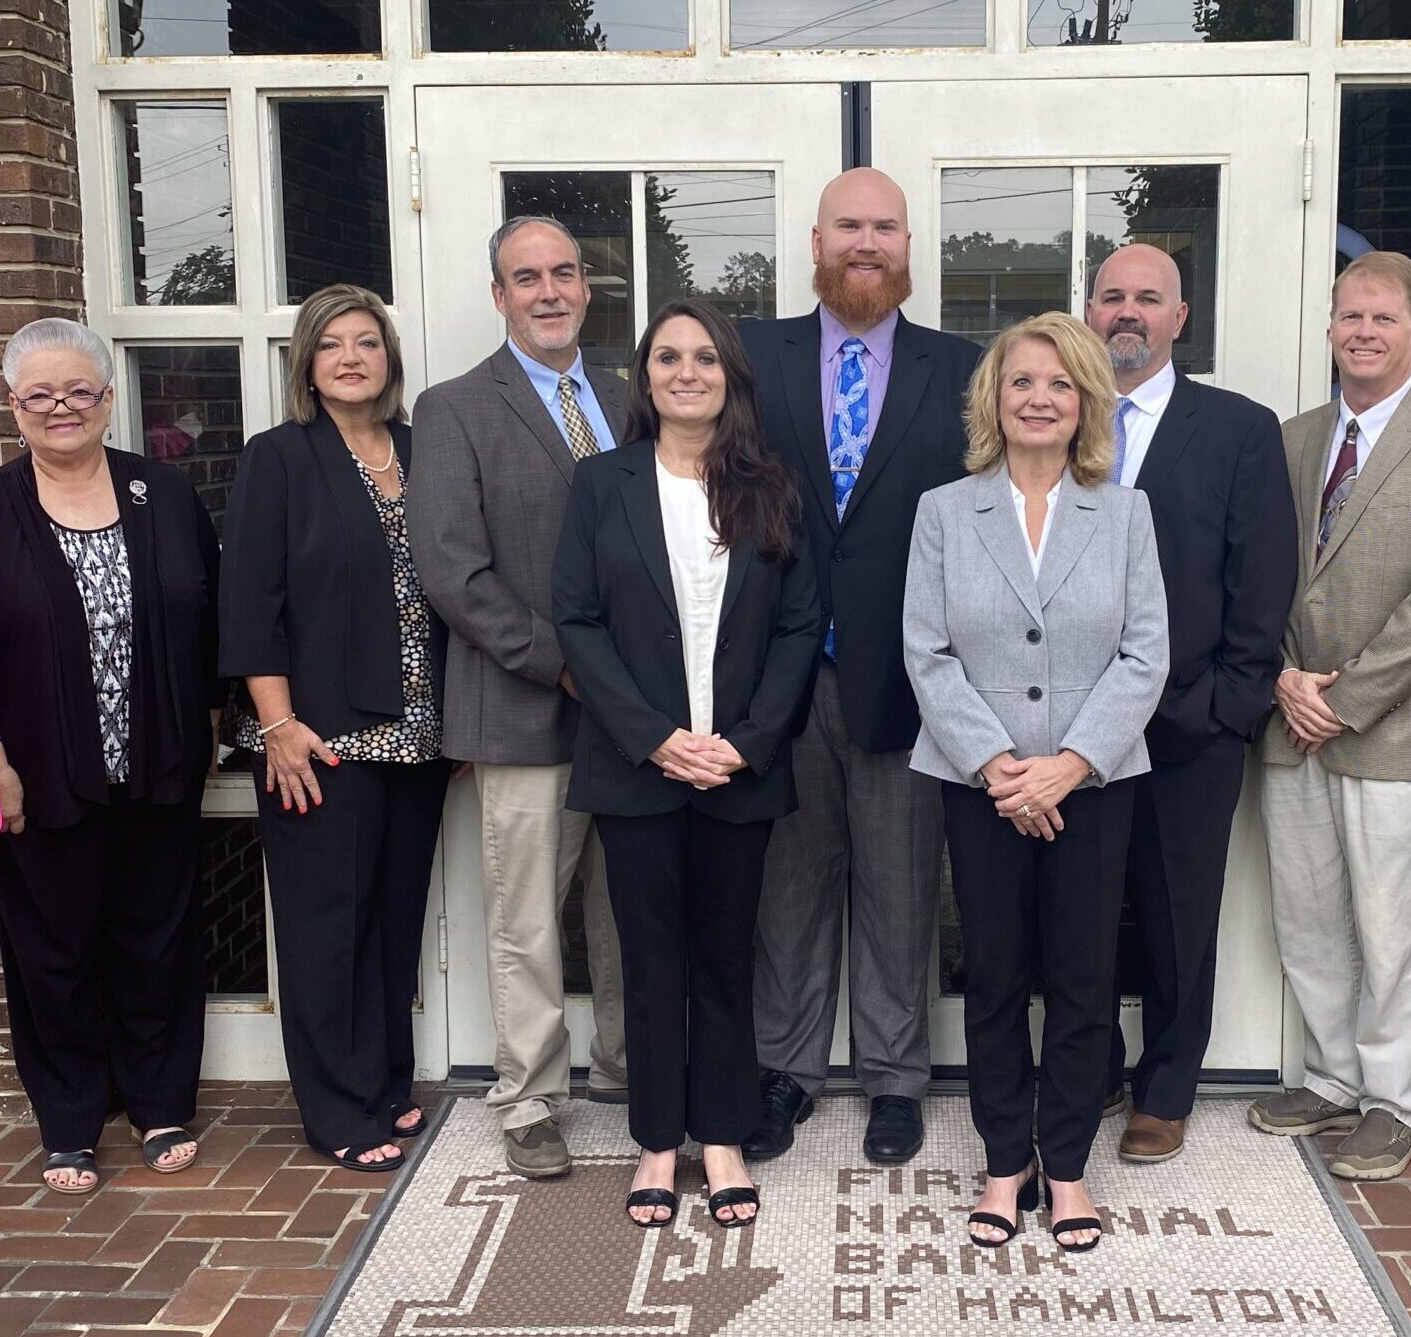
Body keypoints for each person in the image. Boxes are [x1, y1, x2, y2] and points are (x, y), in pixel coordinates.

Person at [552, 300, 822, 1230]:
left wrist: (746, 742)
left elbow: (798, 626)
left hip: (738, 768)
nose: (687, 372)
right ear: (645, 376)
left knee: (725, 957)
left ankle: (723, 1136)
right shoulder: (602, 483)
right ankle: (658, 1143)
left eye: (705, 357)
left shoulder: (772, 484)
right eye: (668, 357)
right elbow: (577, 619)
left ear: (729, 375)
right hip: (639, 768)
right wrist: (656, 737)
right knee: (651, 959)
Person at [904, 312, 1167, 1253]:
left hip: (1091, 784)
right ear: (995, 398)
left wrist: (1071, 763)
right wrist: (997, 764)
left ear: (1087, 401)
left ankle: (1066, 1167)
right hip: (982, 784)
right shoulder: (944, 511)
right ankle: (1003, 1161)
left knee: (1084, 978)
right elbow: (926, 650)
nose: (1041, 399)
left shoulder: (1125, 512)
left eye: (1061, 384)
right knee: (995, 976)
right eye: (1022, 381)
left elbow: (1146, 653)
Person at [0, 318, 220, 1195]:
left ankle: (159, 1101)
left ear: (106, 397)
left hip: (158, 760)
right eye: (40, 394)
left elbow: (208, 615)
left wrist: (211, 719)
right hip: (38, 770)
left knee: (156, 939)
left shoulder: (162, 491)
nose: (61, 407)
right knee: (52, 950)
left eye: (78, 391)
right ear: (11, 403)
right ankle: (69, 1120)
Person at [739, 168, 985, 1165]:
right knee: (787, 892)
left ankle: (894, 1079)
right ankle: (784, 1072)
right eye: (848, 225)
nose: (866, 242)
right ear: (815, 241)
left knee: (899, 888)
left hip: (911, 678)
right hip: (778, 678)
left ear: (909, 245)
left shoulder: (962, 367)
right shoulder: (750, 357)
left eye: (885, 226)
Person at [1250, 252, 1411, 1181]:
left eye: (1382, 318)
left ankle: (1397, 1102)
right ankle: (1331, 1077)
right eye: (1349, 316)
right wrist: (1284, 679)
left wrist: (1344, 698)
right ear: (1330, 327)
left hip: (1395, 727)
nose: (1363, 332)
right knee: (1309, 916)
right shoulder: (1293, 439)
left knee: (1394, 928)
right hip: (1290, 720)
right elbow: (1262, 573)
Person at [406, 218, 631, 1179]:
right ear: (499, 296)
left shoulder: (628, 394)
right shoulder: (454, 407)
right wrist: (565, 662)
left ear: (586, 287)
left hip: (638, 716)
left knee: (631, 906)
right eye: (526, 277)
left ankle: (629, 1065)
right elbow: (452, 568)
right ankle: (530, 1096)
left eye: (564, 273)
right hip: (526, 701)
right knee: (529, 917)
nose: (549, 291)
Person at [220, 284, 452, 1172]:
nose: (351, 357)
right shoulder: (280, 457)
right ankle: (337, 1109)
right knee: (328, 926)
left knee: (392, 919)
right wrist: (277, 722)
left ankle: (386, 1082)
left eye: (367, 341)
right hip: (317, 739)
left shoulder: (423, 451)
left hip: (419, 737)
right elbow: (251, 600)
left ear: (389, 358)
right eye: (331, 344)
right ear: (307, 366)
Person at [1082, 244, 1297, 1162]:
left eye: (1148, 297)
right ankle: (1088, 1069)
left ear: (1180, 317)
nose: (1127, 312)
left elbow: (1263, 577)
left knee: (1177, 916)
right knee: (1081, 912)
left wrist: (1226, 704)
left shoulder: (1239, 430)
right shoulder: (1053, 414)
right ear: (1090, 312)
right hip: (1069, 726)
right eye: (1111, 296)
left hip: (1190, 720)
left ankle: (1166, 1089)